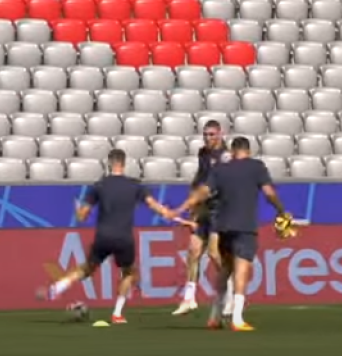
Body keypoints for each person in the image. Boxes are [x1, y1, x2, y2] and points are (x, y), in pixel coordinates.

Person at [37, 149, 178, 323]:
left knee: (87, 269)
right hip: (124, 238)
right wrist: (166, 212)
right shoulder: (135, 185)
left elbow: (82, 216)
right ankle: (117, 314)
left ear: (109, 164)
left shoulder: (99, 185)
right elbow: (152, 204)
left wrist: (77, 209)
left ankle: (57, 288)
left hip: (103, 237)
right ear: (124, 164)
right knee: (129, 273)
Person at [174, 136, 290, 331]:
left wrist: (183, 207)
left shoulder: (220, 169)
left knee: (225, 269)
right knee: (241, 268)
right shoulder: (256, 167)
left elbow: (203, 191)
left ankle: (215, 316)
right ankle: (237, 317)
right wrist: (281, 210)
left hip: (223, 227)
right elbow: (269, 192)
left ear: (233, 151)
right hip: (245, 225)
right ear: (248, 151)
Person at [173, 120, 234, 316]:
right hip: (204, 208)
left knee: (214, 253)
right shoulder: (203, 154)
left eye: (212, 134)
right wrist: (194, 201)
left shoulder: (225, 157)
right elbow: (200, 178)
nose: (208, 138)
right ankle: (189, 298)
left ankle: (231, 292)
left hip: (219, 209)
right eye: (206, 134)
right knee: (193, 251)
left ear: (220, 134)